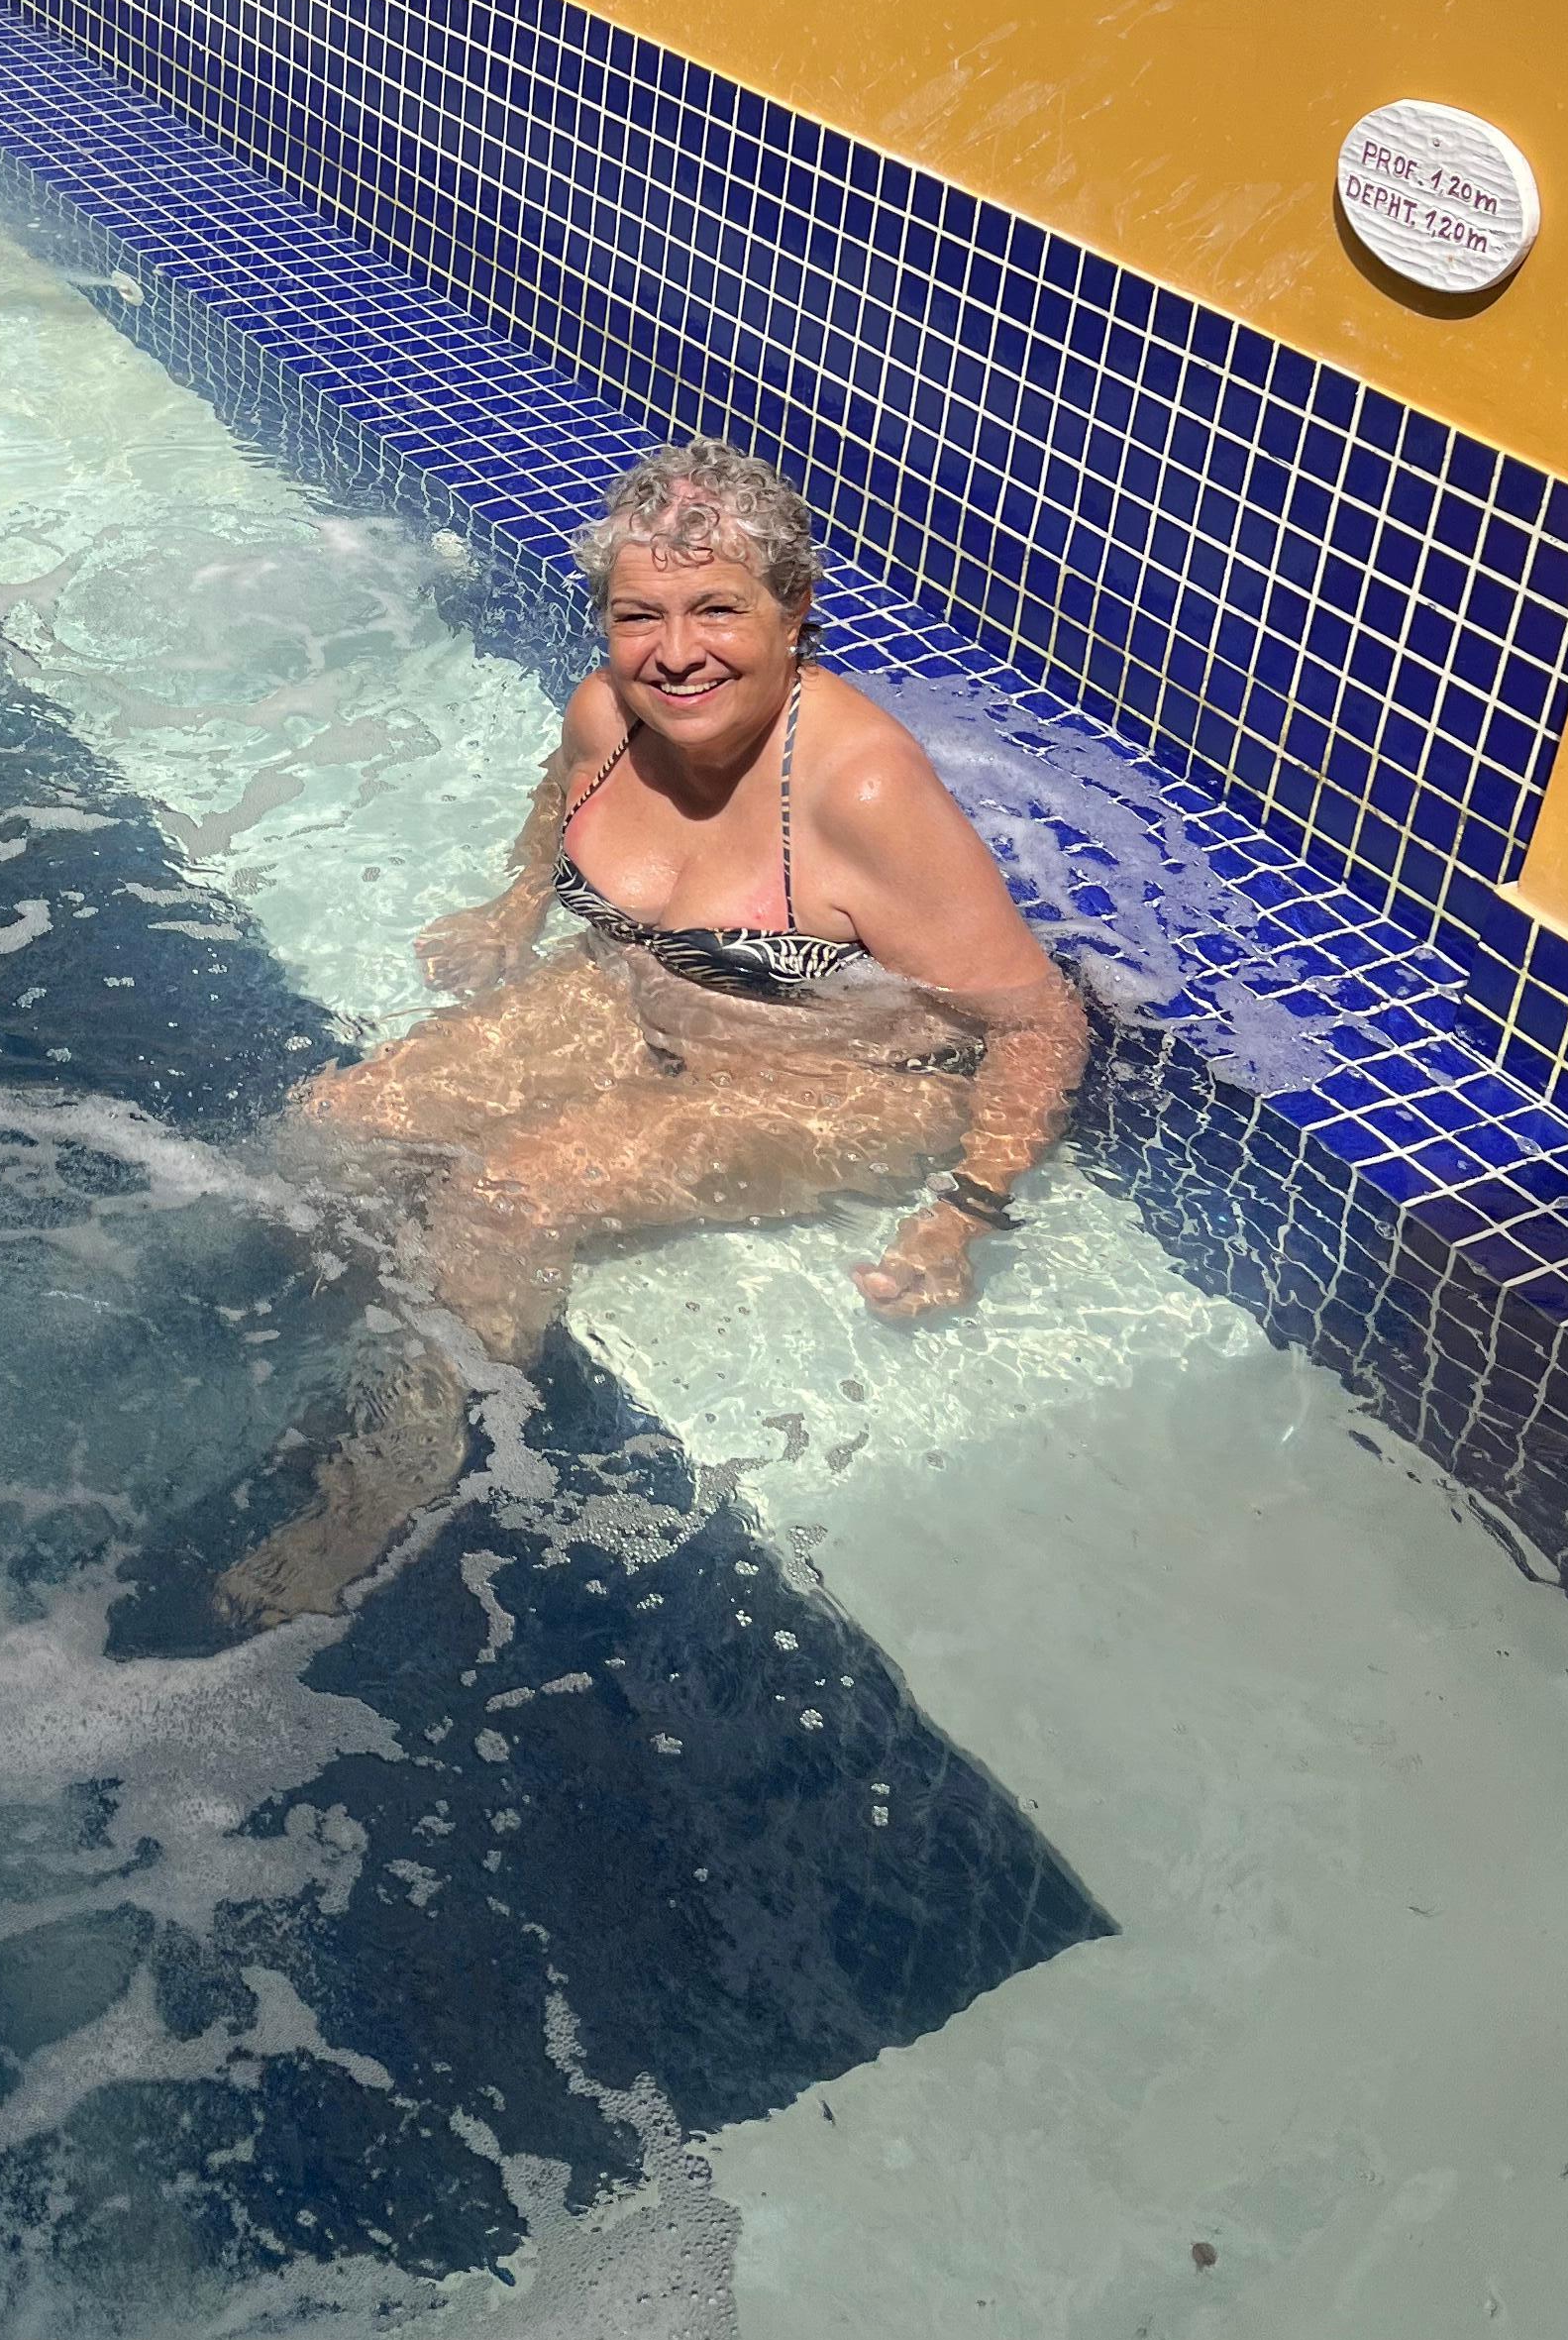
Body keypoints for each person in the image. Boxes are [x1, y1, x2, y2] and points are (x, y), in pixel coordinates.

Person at [217, 442, 1087, 1625]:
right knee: (335, 1124)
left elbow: (1038, 1020)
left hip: (835, 1068)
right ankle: (297, 1318)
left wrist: (968, 1210)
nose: (676, 653)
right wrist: (518, 904)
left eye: (718, 609)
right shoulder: (608, 715)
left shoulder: (861, 791)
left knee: (504, 1199)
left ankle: (382, 1481)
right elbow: (555, 799)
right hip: (635, 991)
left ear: (795, 616)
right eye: (641, 616)